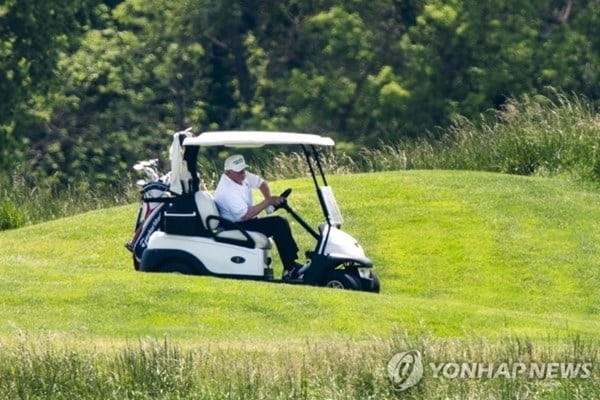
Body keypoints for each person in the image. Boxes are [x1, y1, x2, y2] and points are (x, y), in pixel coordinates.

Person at [213, 154, 302, 278]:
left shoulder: (241, 177)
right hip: (235, 225)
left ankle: (291, 265)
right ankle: (290, 268)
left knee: (280, 223)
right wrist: (268, 201)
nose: (243, 173)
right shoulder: (227, 190)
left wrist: (268, 199)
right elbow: (245, 215)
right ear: (228, 172)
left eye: (243, 169)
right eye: (239, 171)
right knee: (278, 223)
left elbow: (261, 183)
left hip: (245, 221)